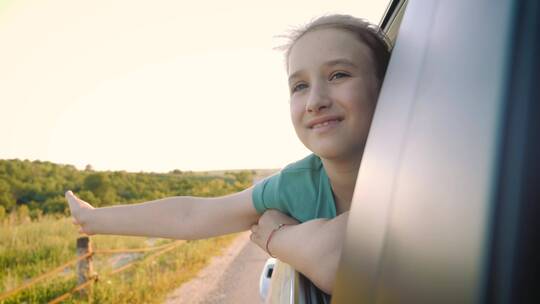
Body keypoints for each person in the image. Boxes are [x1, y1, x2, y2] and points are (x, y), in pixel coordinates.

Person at [66, 14, 391, 296]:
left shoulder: (414, 171)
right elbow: (191, 215)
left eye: (338, 75)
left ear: (389, 87)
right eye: (299, 86)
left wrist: (278, 238)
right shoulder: (299, 182)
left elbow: (343, 261)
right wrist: (94, 219)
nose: (315, 100)